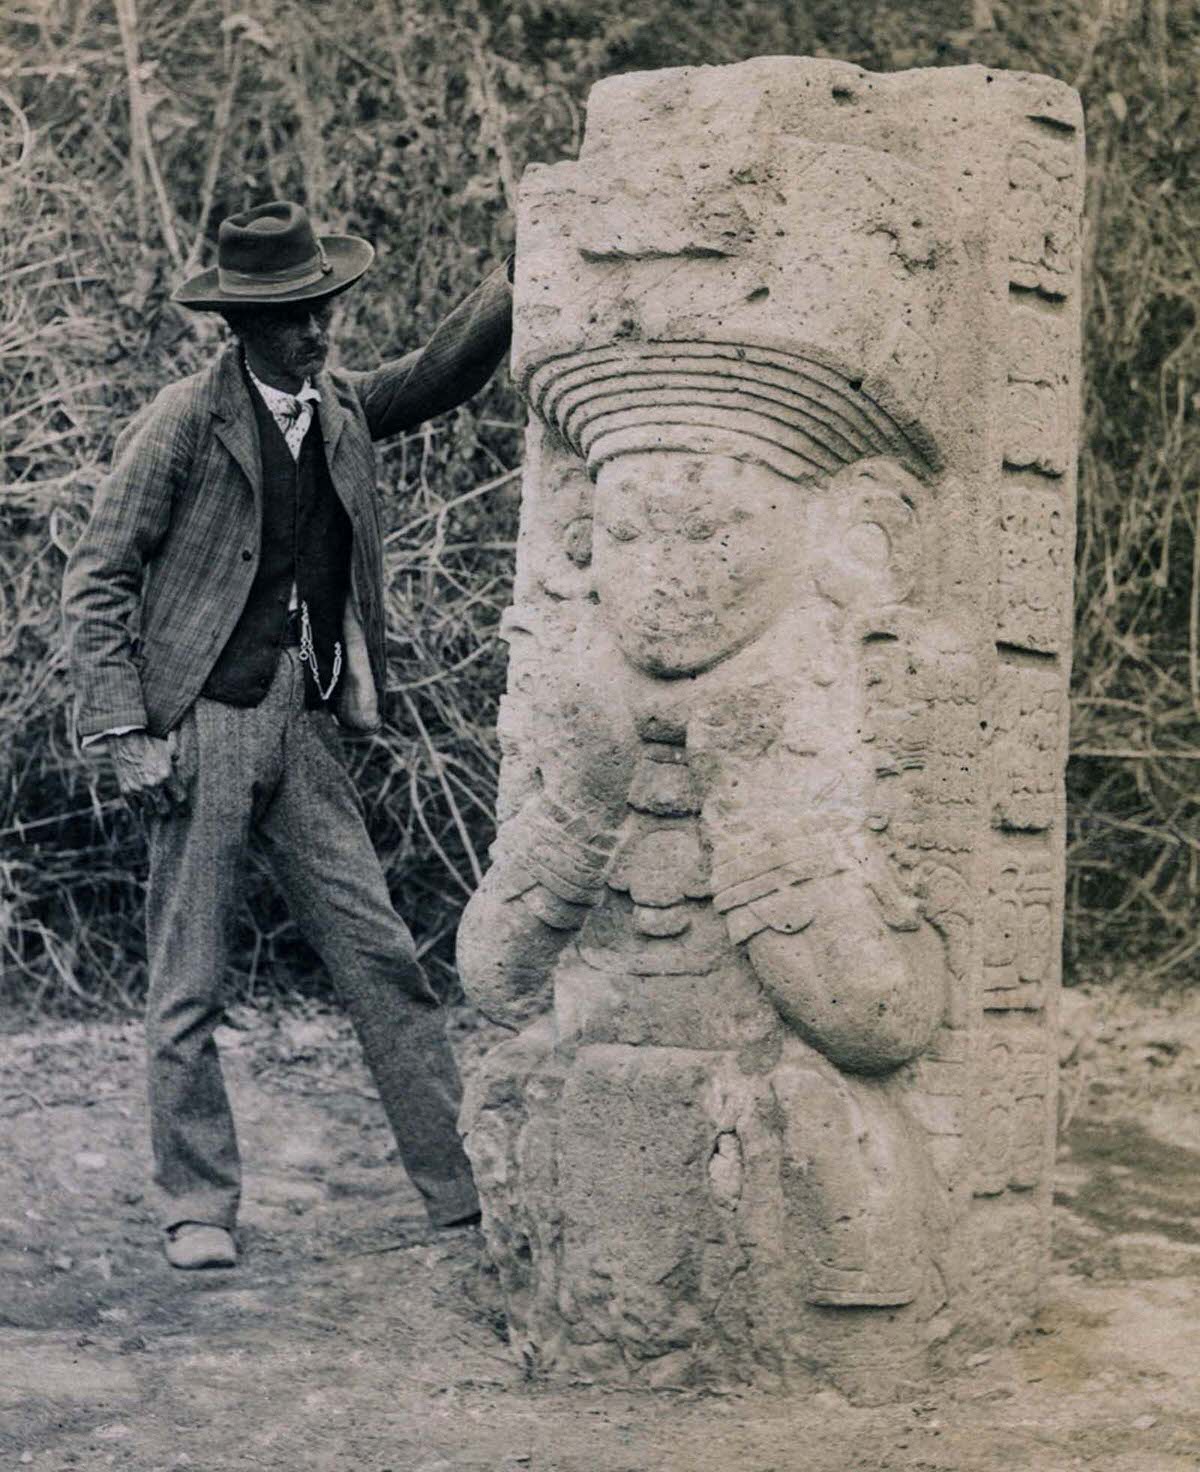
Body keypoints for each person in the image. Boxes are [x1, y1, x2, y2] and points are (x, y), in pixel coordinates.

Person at [62, 200, 512, 1269]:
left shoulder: (343, 405)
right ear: (245, 324)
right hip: (203, 723)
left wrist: (518, 272)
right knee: (188, 981)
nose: (321, 331)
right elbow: (98, 575)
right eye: (298, 316)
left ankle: (460, 1194)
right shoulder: (184, 418)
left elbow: (441, 373)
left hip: (304, 731)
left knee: (384, 961)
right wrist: (124, 727)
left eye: (326, 310)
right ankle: (197, 1207)